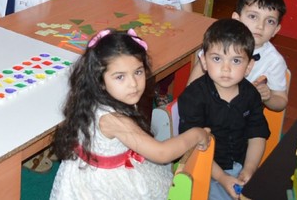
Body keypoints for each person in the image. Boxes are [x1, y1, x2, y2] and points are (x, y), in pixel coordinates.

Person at [50, 29, 211, 200]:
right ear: (99, 80)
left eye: (138, 72)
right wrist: (196, 134)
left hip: (95, 164)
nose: (133, 83)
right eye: (120, 77)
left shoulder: (93, 95)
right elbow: (162, 153)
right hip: (103, 182)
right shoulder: (113, 120)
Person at [178, 19, 270, 200]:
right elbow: (192, 147)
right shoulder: (193, 97)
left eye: (236, 60)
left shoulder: (251, 94)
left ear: (249, 67)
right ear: (204, 61)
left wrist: (250, 168)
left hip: (243, 165)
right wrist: (222, 177)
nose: (226, 68)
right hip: (205, 168)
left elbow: (257, 134)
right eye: (217, 58)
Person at [186, 0, 289, 112]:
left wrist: (268, 97)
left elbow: (281, 101)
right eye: (253, 16)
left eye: (270, 21)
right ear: (236, 18)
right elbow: (198, 73)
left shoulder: (274, 61)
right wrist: (190, 98)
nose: (260, 26)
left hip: (241, 115)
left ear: (276, 30)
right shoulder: (219, 41)